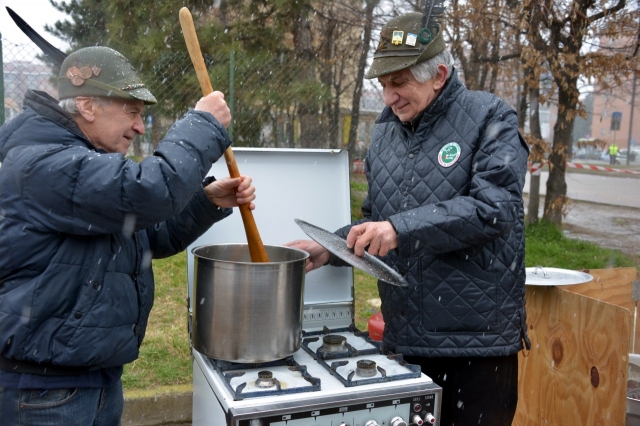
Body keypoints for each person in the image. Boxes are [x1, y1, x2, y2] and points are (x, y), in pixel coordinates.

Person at [287, 12, 530, 426]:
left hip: (476, 348)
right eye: (382, 85)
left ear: (438, 75)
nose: (388, 97)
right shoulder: (385, 133)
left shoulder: (491, 117)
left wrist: (399, 230)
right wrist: (330, 247)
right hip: (405, 341)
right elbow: (377, 222)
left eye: (399, 82)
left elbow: (495, 210)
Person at [0, 46, 256, 425]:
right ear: (87, 106)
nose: (139, 126)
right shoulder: (44, 162)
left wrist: (205, 203)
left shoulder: (80, 162)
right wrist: (203, 123)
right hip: (44, 392)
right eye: (132, 112)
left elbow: (145, 237)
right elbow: (148, 192)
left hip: (90, 378)